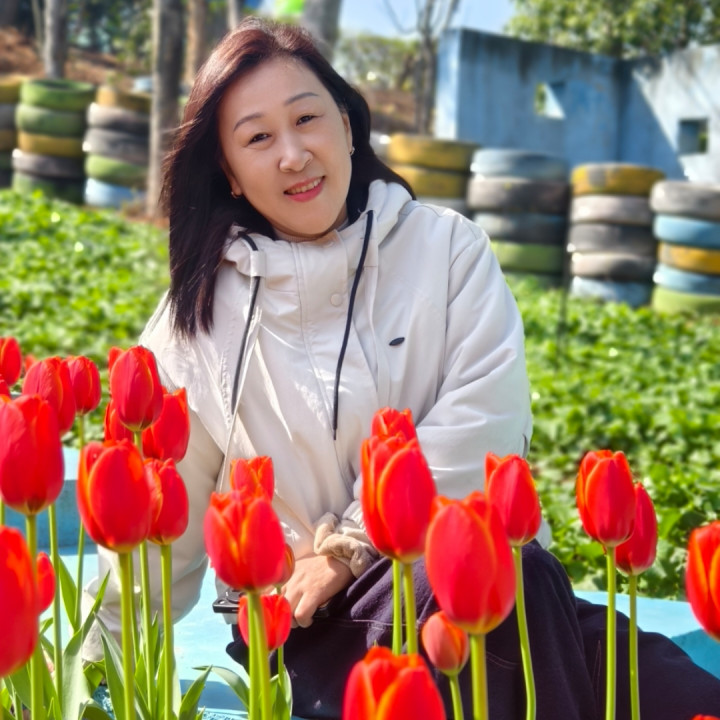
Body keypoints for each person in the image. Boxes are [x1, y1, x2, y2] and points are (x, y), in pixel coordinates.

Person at [83, 16, 720, 720]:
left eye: (307, 119)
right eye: (258, 138)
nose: (294, 154)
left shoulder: (446, 251)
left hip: (490, 589)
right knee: (516, 590)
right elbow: (158, 520)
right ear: (227, 172)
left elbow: (485, 424)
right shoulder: (195, 319)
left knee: (689, 696)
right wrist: (83, 670)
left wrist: (350, 547)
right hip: (305, 623)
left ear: (348, 125)